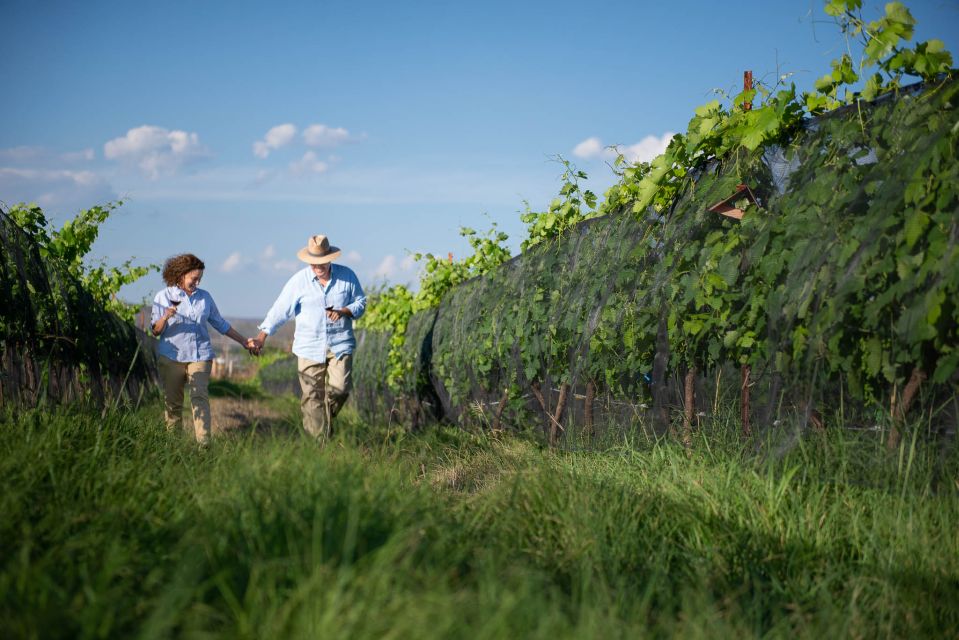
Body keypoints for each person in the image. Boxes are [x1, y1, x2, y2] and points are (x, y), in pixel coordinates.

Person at [252, 234, 366, 439]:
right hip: (308, 347)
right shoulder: (298, 282)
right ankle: (319, 447)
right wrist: (262, 336)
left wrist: (344, 311)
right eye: (313, 262)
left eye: (321, 262)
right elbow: (280, 310)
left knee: (340, 389)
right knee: (311, 396)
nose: (317, 266)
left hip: (339, 345)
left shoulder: (347, 276)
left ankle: (321, 421)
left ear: (330, 259)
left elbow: (360, 303)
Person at [151, 253, 258, 444]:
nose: (197, 283)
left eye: (199, 279)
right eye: (194, 278)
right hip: (172, 356)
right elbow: (155, 331)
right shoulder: (164, 296)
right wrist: (166, 316)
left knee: (199, 397)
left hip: (200, 355)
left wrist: (243, 341)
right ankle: (173, 446)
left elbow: (221, 324)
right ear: (181, 274)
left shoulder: (205, 298)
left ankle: (204, 446)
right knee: (173, 404)